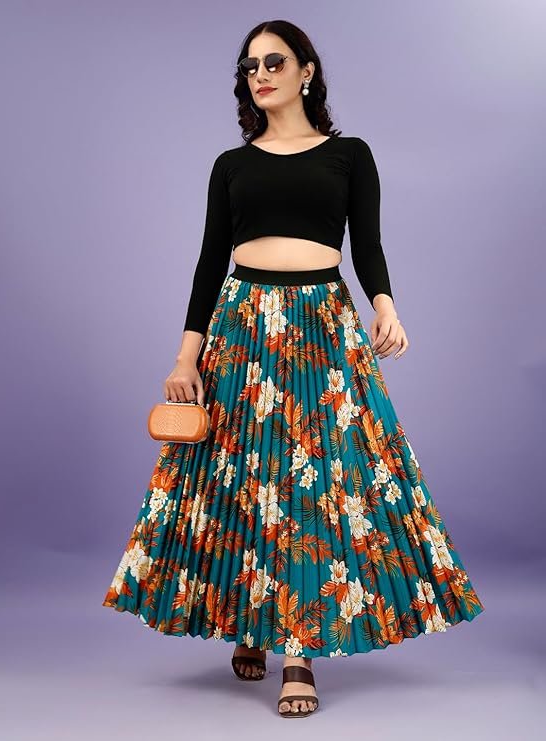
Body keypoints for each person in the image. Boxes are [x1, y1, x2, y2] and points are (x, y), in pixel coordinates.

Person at [102, 19, 485, 719]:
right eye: (250, 66)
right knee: (246, 477)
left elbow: (367, 244)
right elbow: (209, 261)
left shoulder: (349, 155)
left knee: (310, 483)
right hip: (243, 326)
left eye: (274, 61)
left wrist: (386, 306)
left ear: (307, 70)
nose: (261, 74)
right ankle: (251, 622)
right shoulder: (232, 164)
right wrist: (185, 355)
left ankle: (297, 650)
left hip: (321, 325)